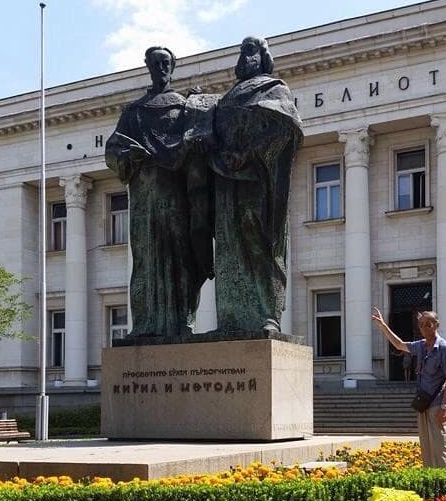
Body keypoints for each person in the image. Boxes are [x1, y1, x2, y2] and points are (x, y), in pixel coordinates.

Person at [105, 47, 213, 341]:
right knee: (145, 258)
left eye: (166, 63)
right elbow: (114, 149)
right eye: (156, 63)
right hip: (143, 195)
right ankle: (145, 324)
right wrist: (130, 154)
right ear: (148, 66)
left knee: (179, 256)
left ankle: (181, 321)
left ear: (173, 67)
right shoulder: (133, 111)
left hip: (175, 193)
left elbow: (197, 145)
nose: (161, 67)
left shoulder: (183, 107)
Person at [208, 36, 303, 334]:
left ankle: (267, 314)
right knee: (228, 247)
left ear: (263, 57)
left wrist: (247, 153)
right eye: (242, 52)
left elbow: (284, 129)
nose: (245, 58)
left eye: (251, 52)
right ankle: (231, 319)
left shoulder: (274, 88)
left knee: (259, 241)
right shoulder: (227, 97)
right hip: (227, 180)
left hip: (258, 178)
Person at [371, 308, 446, 469]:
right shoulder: (421, 346)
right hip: (422, 404)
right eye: (421, 324)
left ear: (436, 325)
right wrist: (383, 325)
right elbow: (399, 344)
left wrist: (445, 407)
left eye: (427, 324)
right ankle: (431, 482)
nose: (423, 328)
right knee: (426, 448)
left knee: (439, 447)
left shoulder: (445, 348)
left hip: (437, 404)